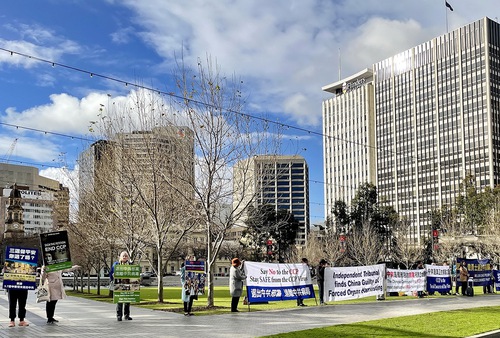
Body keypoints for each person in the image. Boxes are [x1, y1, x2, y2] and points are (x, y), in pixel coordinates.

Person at [110, 251, 133, 321]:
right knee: (119, 301)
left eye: (126, 256)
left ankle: (127, 315)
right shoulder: (116, 264)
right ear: (120, 257)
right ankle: (119, 316)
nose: (124, 257)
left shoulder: (130, 264)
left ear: (128, 257)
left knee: (127, 301)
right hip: (119, 284)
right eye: (123, 256)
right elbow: (111, 273)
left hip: (128, 284)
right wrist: (113, 276)